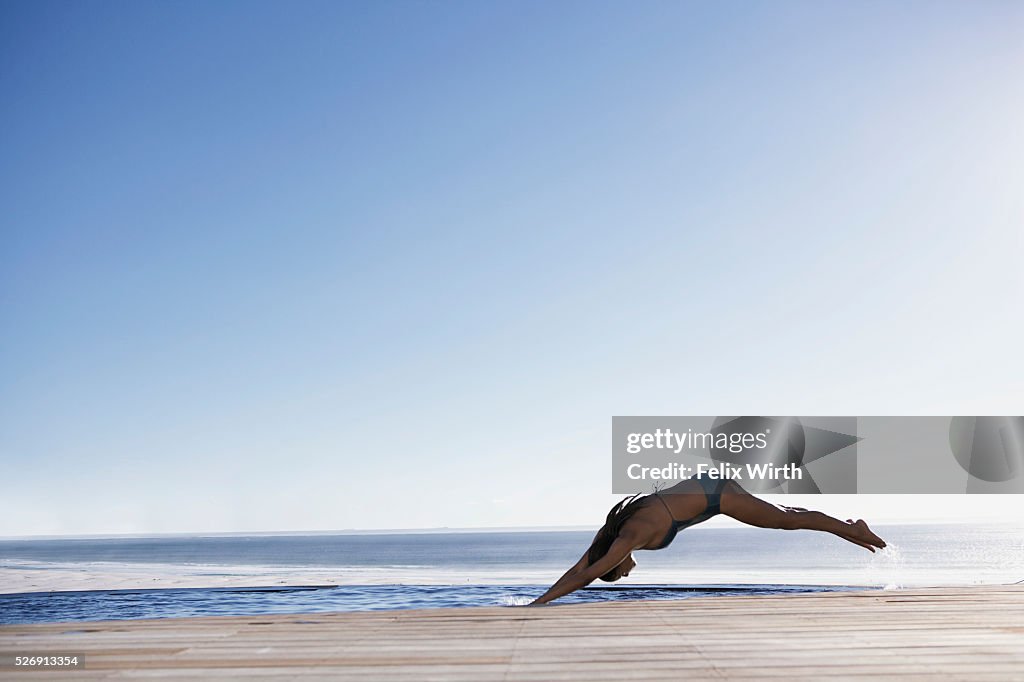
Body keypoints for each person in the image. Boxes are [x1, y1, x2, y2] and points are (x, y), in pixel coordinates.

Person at [531, 473, 887, 605]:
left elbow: (584, 576)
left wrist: (539, 605)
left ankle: (852, 529)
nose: (626, 572)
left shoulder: (627, 537)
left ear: (615, 561)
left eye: (619, 572)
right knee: (785, 514)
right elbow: (579, 567)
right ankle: (849, 527)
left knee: (784, 521)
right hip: (707, 496)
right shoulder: (608, 535)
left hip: (713, 495)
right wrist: (543, 596)